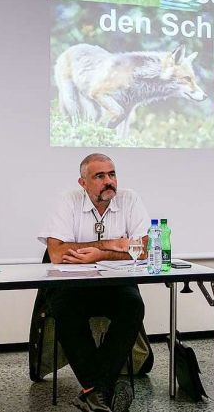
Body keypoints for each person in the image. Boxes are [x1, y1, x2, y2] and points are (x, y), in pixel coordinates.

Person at [38, 153, 149, 412]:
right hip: (73, 284)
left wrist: (100, 254)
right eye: (99, 176)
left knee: (133, 306)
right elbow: (56, 252)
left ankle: (93, 390)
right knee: (64, 309)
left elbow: (145, 248)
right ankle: (101, 388)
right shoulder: (68, 201)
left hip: (116, 283)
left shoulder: (129, 199)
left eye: (112, 174)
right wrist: (112, 244)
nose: (108, 181)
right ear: (83, 182)